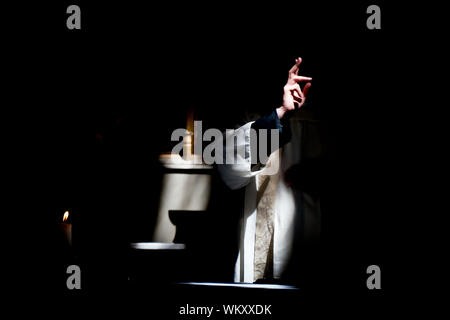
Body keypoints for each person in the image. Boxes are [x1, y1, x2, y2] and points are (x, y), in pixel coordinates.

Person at [218, 57, 313, 283]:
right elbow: (231, 166)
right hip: (258, 248)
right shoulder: (248, 119)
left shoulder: (321, 127)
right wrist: (280, 114)